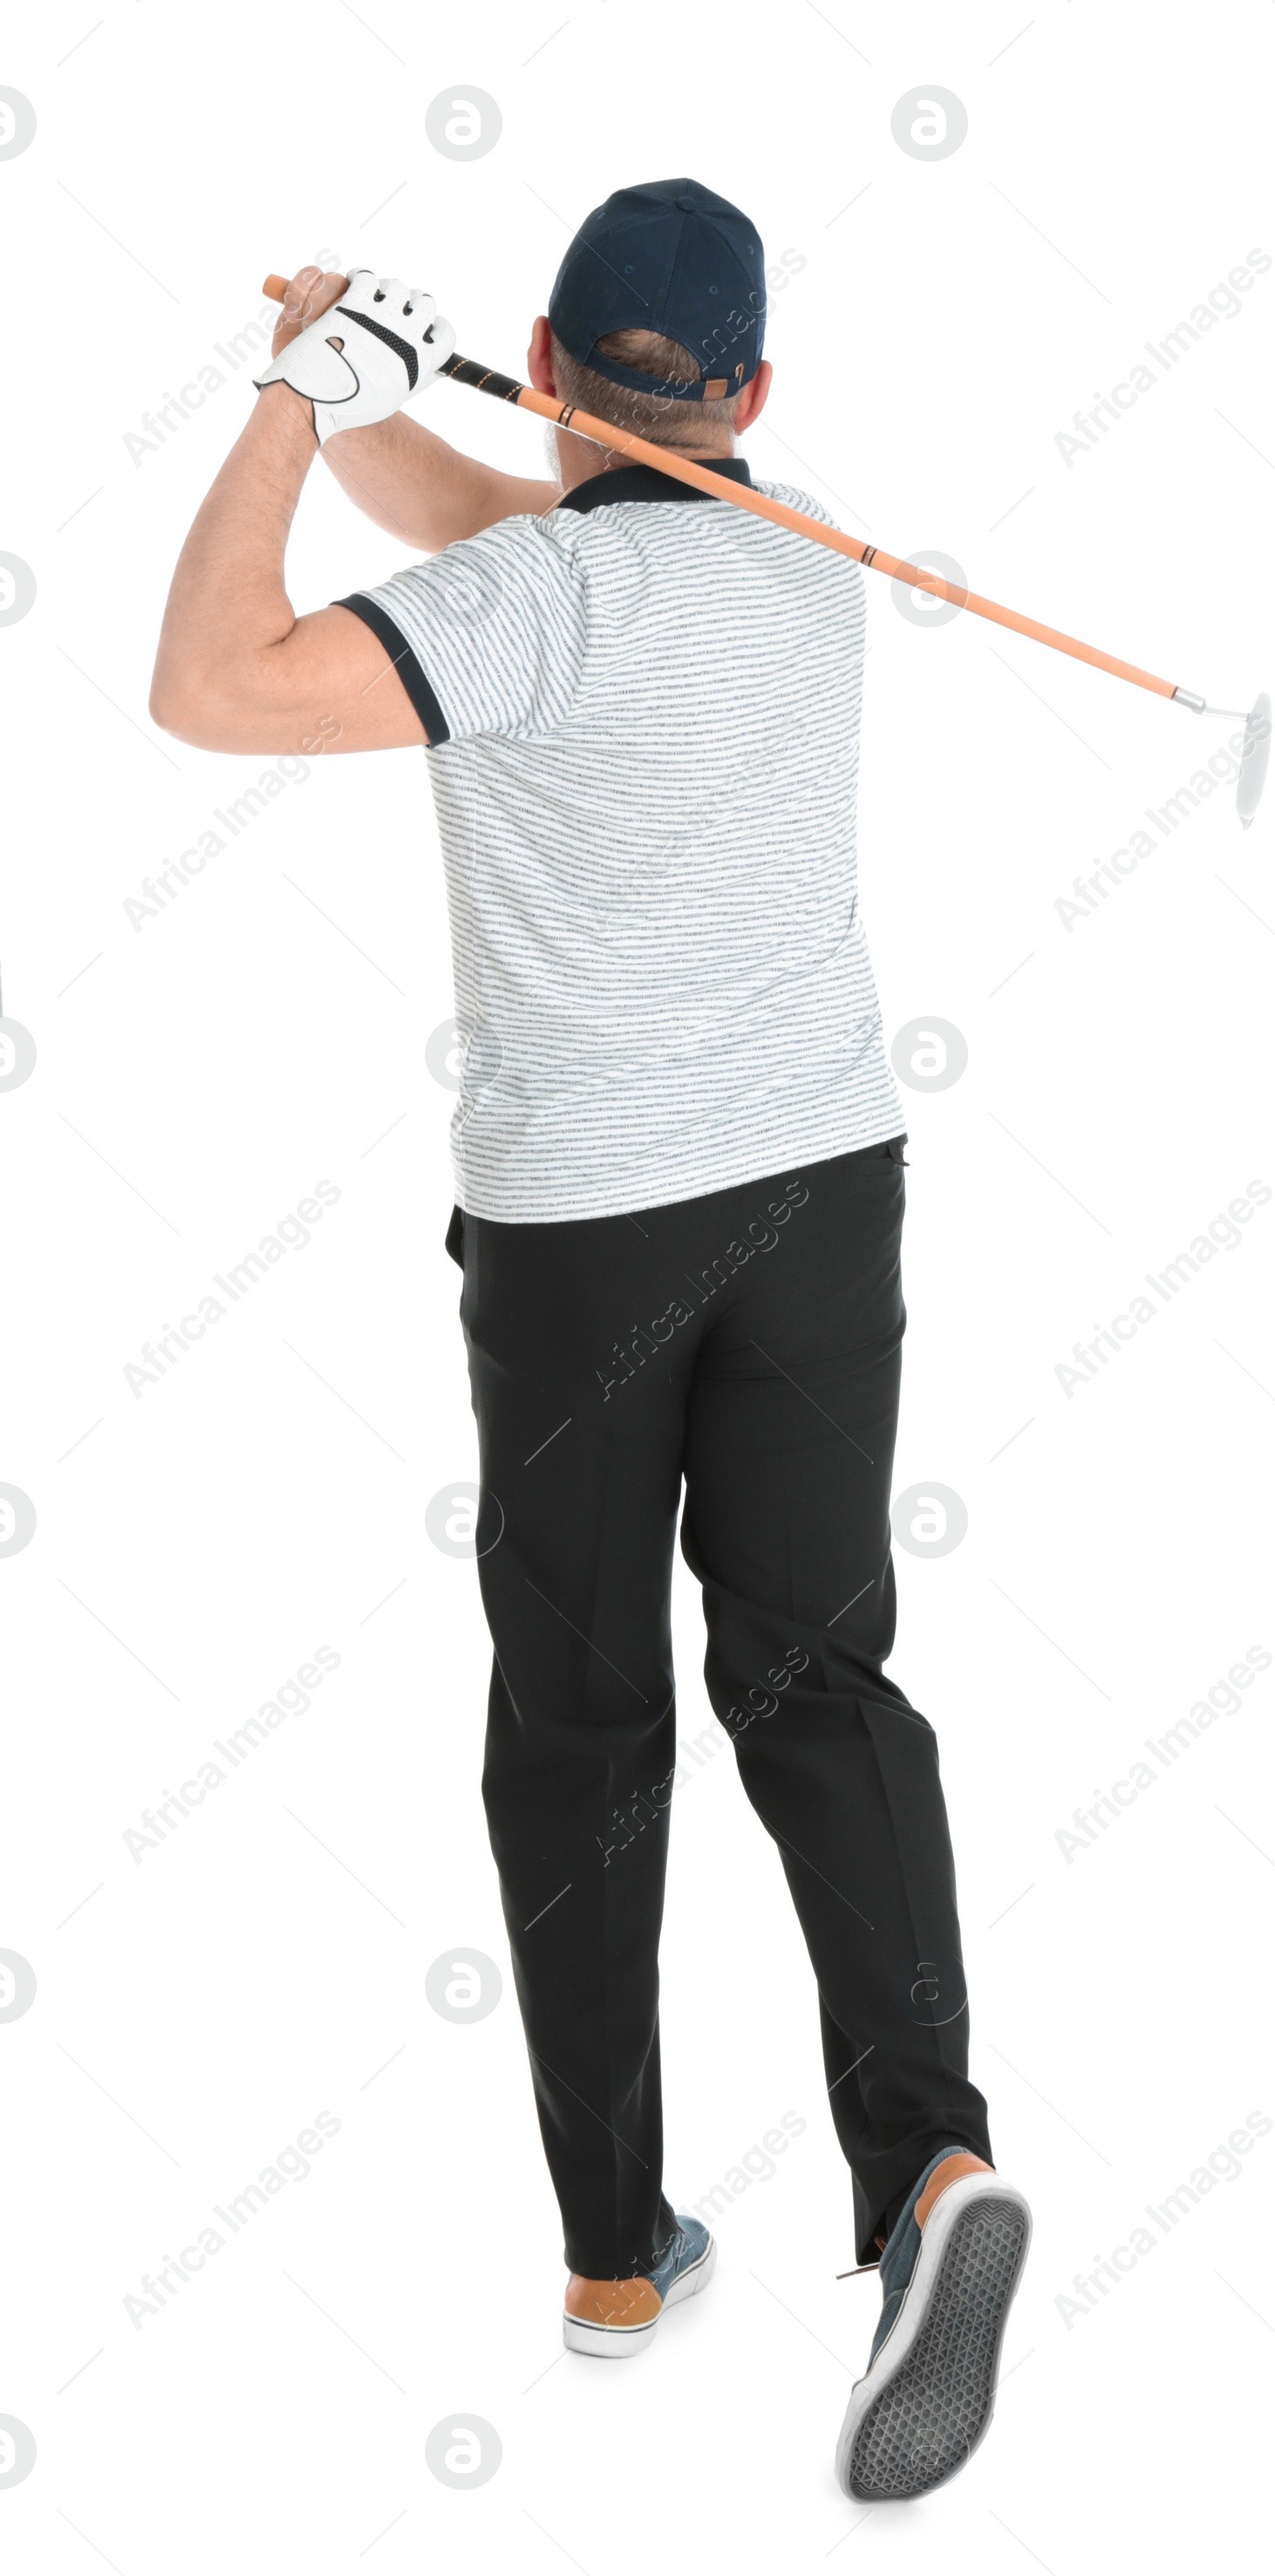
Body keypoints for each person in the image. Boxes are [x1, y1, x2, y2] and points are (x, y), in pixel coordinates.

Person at [149, 176, 1030, 2502]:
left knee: (581, 1727)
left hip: (583, 1250)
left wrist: (280, 396)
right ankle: (932, 2167)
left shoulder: (522, 600)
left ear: (546, 350)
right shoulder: (799, 540)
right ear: (751, 396)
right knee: (821, 1681)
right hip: (827, 1196)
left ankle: (619, 2243)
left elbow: (210, 680)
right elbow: (530, 520)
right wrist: (374, 386)